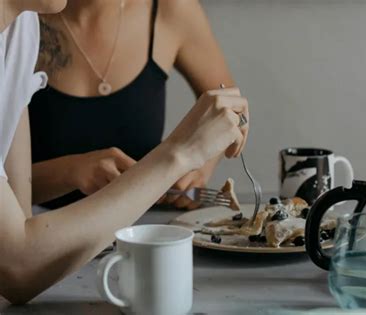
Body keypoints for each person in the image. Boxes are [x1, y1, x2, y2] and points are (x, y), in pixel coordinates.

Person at [0, 0, 249, 304]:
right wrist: (178, 155)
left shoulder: (18, 30)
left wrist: (196, 166)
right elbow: (17, 266)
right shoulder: (32, 21)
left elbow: (18, 232)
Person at [29, 0, 236, 210]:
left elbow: (228, 108)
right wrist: (70, 172)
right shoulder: (19, 18)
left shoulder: (170, 8)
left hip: (144, 228)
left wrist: (197, 167)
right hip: (39, 226)